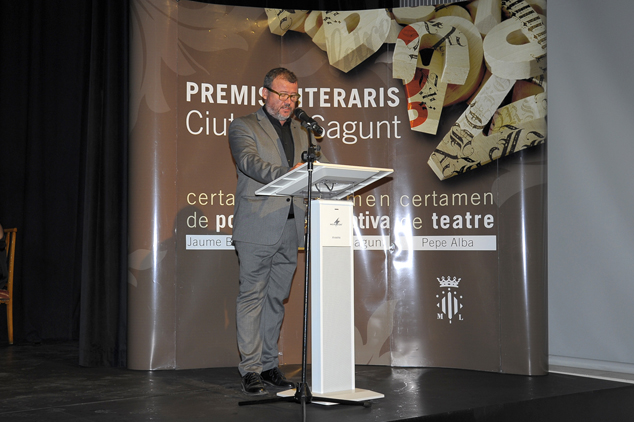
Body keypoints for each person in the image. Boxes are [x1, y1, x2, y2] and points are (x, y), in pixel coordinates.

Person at [228, 68, 323, 395]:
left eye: (293, 96)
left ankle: (269, 365)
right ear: (264, 93)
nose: (288, 101)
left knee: (276, 298)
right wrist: (288, 173)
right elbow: (248, 162)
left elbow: (317, 168)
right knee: (252, 297)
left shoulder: (302, 130)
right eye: (282, 94)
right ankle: (250, 369)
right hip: (257, 225)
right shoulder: (244, 125)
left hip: (291, 228)